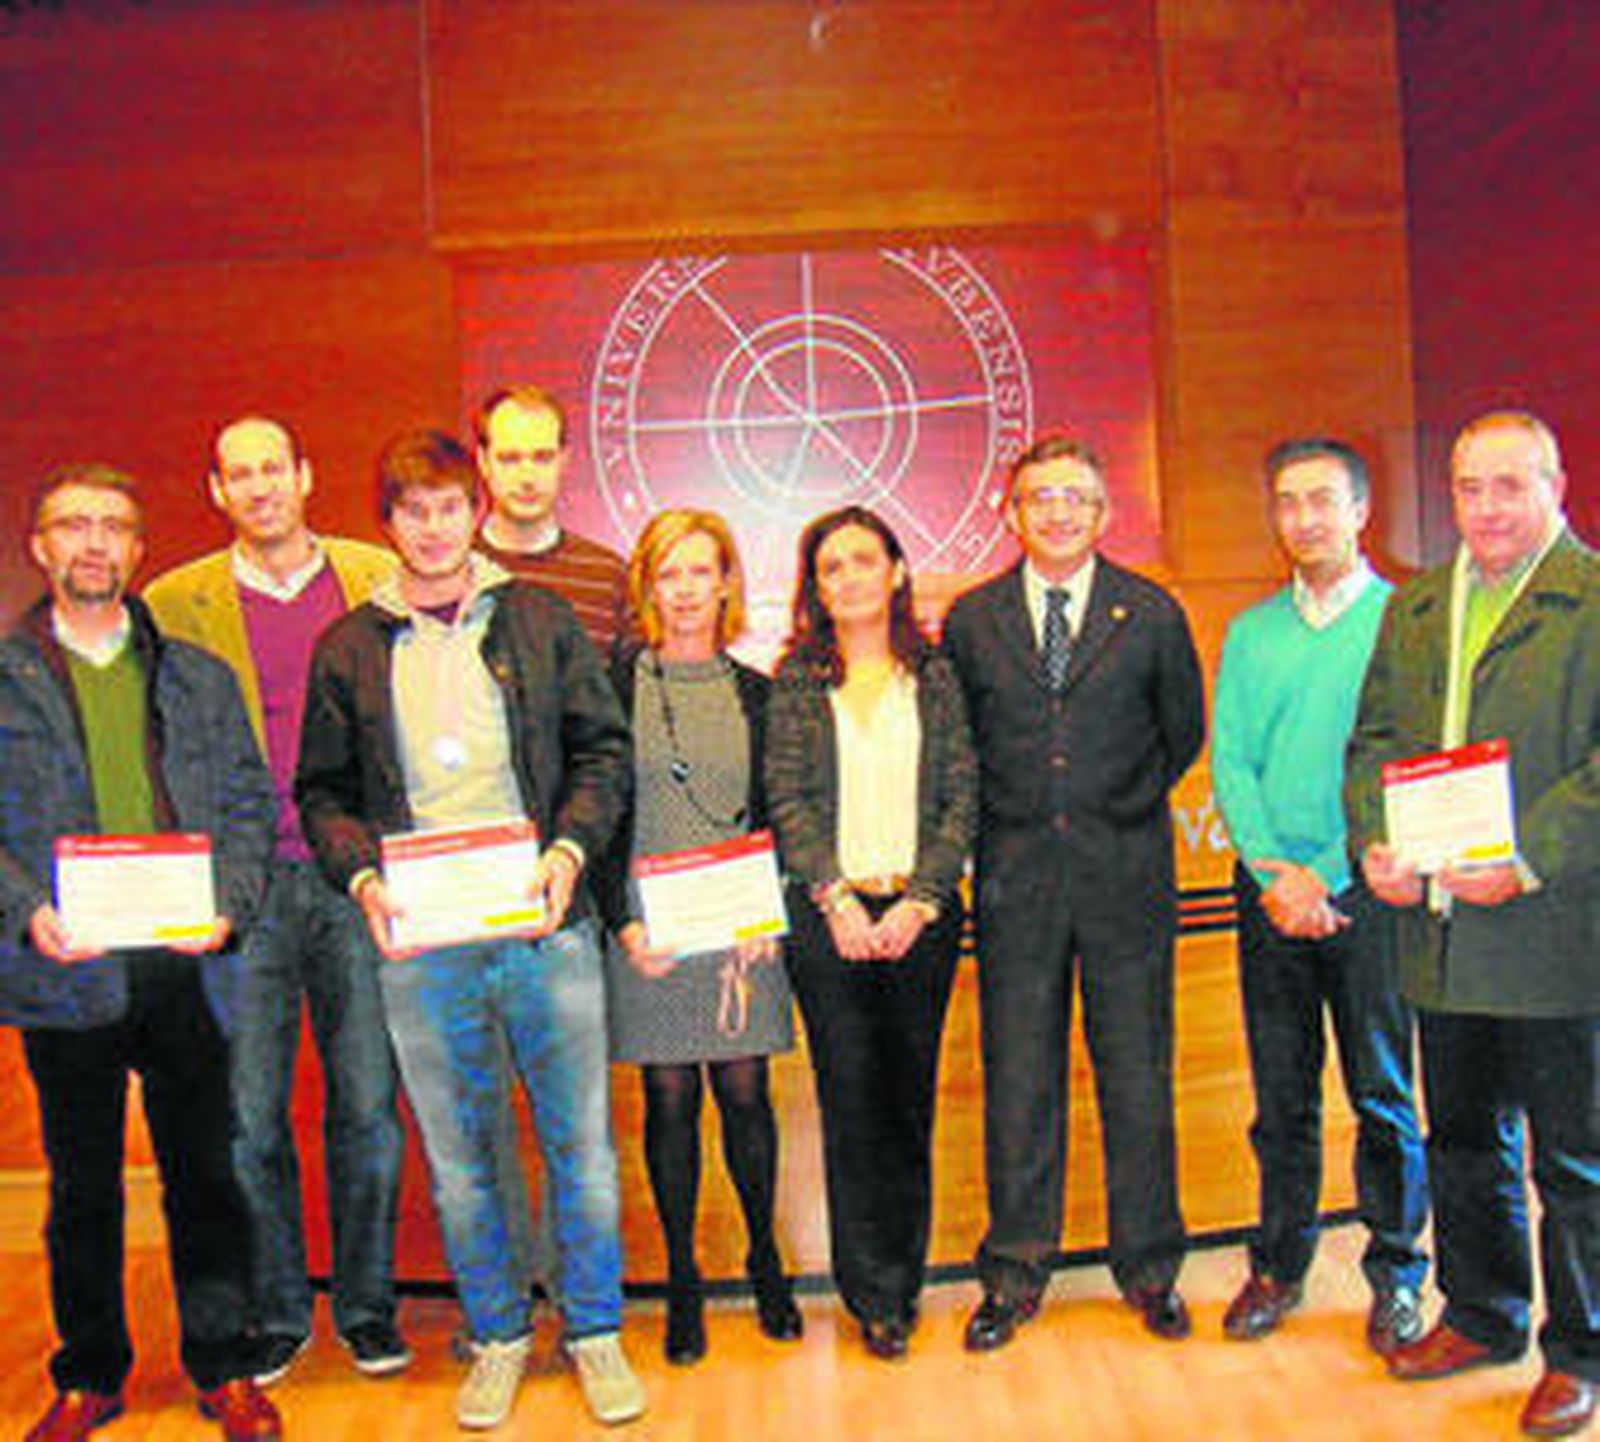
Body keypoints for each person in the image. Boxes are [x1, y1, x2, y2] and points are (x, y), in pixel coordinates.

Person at [294, 429, 644, 1432]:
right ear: (389, 521)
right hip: (422, 939)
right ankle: (496, 1332)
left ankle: (592, 1330)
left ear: (472, 506)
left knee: (580, 1144)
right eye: (413, 510)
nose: (434, 526)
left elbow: (601, 750)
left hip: (546, 925)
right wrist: (362, 876)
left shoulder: (535, 617)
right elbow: (321, 790)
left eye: (450, 506)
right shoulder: (350, 643)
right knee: (460, 1154)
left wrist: (570, 849)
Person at [0, 465, 281, 1441]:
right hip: (64, 963)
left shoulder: (196, 675)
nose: (93, 543)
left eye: (114, 526)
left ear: (137, 548)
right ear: (40, 545)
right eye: (72, 524)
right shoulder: (4, 675)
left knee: (207, 1170)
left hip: (187, 964)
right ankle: (90, 1373)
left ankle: (223, 1364)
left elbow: (249, 804)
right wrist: (27, 906)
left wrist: (231, 905)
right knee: (81, 1183)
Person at [1346, 410, 1600, 1439]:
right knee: (1458, 1137)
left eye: (1508, 484)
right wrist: (1376, 844)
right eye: (1466, 487)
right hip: (1440, 932)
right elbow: (1370, 742)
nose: (1485, 508)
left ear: (1555, 485)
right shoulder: (1416, 606)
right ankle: (1485, 1312)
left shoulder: (1589, 599)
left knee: (1574, 1158)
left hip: (1550, 930)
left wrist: (1523, 856)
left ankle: (1579, 1348)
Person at [144, 416, 409, 1385]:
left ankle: (371, 1308)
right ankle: (280, 1307)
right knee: (248, 1119)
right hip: (242, 891)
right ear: (217, 490)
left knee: (369, 1109)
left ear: (305, 475)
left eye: (273, 468)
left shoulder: (376, 575)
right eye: (237, 473)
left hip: (359, 879)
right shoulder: (175, 601)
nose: (259, 487)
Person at [944, 434, 1205, 1351]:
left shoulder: (1152, 612)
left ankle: (1151, 1268)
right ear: (1010, 512)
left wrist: (1113, 805)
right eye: (1039, 496)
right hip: (1016, 886)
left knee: (1138, 1075)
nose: (1057, 511)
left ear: (1103, 513)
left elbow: (1183, 735)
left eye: (1076, 497)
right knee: (1020, 1083)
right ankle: (1013, 1275)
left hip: (1126, 879)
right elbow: (960, 750)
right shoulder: (972, 621)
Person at [1211, 438, 1428, 1350]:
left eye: (1322, 500)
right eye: (1288, 501)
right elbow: (1232, 761)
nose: (1304, 518)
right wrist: (1275, 874)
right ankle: (1278, 1265)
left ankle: (1397, 1274)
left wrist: (1332, 871)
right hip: (1271, 900)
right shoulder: (1253, 632)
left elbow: (1404, 761)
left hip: (1369, 890)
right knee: (1282, 1098)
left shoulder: (1405, 619)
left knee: (1382, 1093)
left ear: (1360, 510)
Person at [765, 506, 976, 1361]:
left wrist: (922, 899)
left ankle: (906, 1277)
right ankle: (871, 1296)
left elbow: (965, 791)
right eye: (830, 567)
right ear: (815, 588)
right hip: (831, 926)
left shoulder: (937, 674)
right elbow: (788, 799)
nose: (848, 578)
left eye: (863, 560)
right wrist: (836, 899)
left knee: (907, 1103)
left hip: (920, 921)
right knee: (850, 1106)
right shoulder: (794, 681)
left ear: (895, 570)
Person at [595, 508, 803, 1365]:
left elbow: (782, 815)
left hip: (740, 935)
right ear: (649, 586)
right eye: (667, 574)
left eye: (700, 572)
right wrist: (625, 922)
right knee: (670, 1099)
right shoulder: (611, 688)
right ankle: (683, 1275)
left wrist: (766, 913)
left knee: (747, 1093)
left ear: (726, 583)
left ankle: (765, 1257)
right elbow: (597, 816)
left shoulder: (759, 692)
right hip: (649, 934)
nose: (684, 591)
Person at [474, 384, 630, 656]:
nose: (527, 477)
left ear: (564, 461)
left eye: (542, 458)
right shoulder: (448, 571)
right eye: (510, 459)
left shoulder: (609, 579)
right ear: (483, 463)